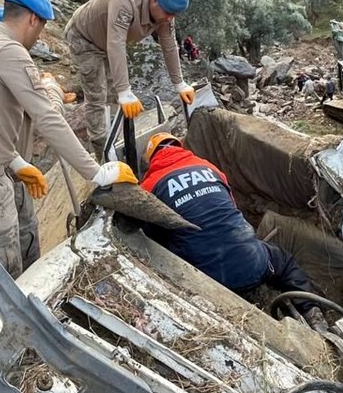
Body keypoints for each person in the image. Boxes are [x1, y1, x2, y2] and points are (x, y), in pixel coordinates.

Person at [0, 0, 138, 320]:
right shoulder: (9, 51)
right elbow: (48, 118)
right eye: (41, 27)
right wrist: (97, 171)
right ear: (31, 19)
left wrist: (14, 161)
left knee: (17, 259)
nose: (39, 36)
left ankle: (24, 324)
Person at [140, 133, 329, 329]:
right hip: (252, 264)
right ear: (180, 148)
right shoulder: (208, 168)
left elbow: (153, 238)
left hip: (205, 280)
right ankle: (311, 312)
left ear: (152, 158)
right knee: (284, 262)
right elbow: (231, 209)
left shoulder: (148, 186)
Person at [64, 0, 197, 151]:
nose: (170, 19)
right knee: (97, 95)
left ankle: (115, 139)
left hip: (108, 42)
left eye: (174, 15)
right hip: (85, 38)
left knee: (113, 94)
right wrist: (125, 92)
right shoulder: (124, 0)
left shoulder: (165, 10)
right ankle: (101, 152)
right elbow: (116, 44)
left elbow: (169, 45)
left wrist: (179, 83)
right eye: (168, 13)